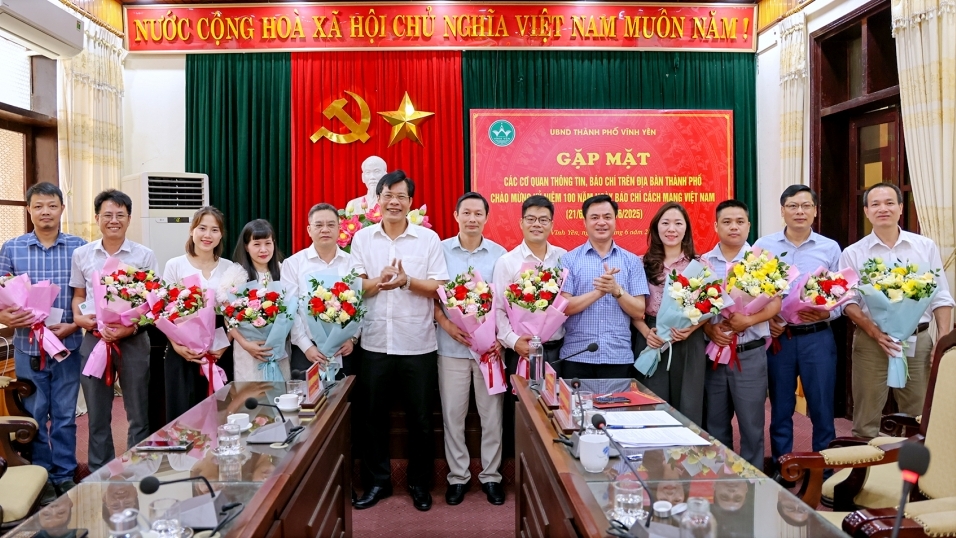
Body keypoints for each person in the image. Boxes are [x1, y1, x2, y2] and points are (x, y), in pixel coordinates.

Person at [349, 171, 449, 512]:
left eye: (401, 196)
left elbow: (440, 287)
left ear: (410, 202)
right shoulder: (362, 239)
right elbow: (355, 287)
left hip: (417, 344)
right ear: (378, 199)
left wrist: (407, 281)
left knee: (420, 420)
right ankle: (378, 483)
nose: (394, 202)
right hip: (375, 344)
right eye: (388, 195)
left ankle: (420, 484)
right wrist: (380, 280)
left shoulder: (428, 239)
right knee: (372, 418)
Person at [839, 182, 954, 437]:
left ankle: (913, 464)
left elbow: (941, 296)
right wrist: (875, 333)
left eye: (890, 203)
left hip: (918, 340)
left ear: (901, 208)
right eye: (875, 204)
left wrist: (943, 339)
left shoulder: (925, 246)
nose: (883, 209)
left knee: (920, 416)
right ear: (866, 211)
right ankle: (864, 462)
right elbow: (848, 302)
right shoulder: (853, 253)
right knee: (866, 417)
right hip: (871, 341)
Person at [0, 182, 86, 504]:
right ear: (29, 210)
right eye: (38, 206)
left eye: (51, 205)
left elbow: (88, 296)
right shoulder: (12, 248)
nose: (45, 212)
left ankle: (64, 474)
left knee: (64, 414)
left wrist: (74, 323)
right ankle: (42, 474)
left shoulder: (79, 247)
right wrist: (6, 317)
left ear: (62, 208)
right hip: (27, 345)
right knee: (35, 413)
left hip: (67, 345)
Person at [754, 185, 842, 481]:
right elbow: (751, 290)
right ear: (782, 211)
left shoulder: (830, 248)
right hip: (780, 338)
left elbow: (844, 294)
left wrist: (827, 312)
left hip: (817, 337)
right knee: (781, 407)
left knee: (822, 406)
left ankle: (824, 471)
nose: (799, 211)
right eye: (793, 206)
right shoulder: (764, 245)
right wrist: (767, 320)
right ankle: (784, 467)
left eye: (806, 206)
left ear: (815, 210)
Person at [70, 189, 158, 471]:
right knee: (97, 414)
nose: (114, 220)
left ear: (129, 219)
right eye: (107, 214)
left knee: (138, 412)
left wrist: (127, 330)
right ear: (97, 218)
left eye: (120, 215)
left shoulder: (144, 255)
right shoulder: (82, 254)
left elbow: (152, 304)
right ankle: (100, 471)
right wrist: (78, 317)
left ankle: (138, 470)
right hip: (94, 339)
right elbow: (78, 295)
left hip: (133, 340)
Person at [433, 192, 507, 506]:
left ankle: (491, 477)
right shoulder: (440, 251)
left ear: (486, 218)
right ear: (456, 215)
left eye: (478, 213)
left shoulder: (500, 255)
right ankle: (458, 478)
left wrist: (500, 339)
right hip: (451, 347)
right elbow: (432, 296)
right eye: (467, 213)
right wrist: (446, 323)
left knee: (492, 417)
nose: (472, 218)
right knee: (453, 416)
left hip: (489, 351)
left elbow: (506, 302)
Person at [701, 200, 780, 470]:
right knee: (715, 425)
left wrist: (749, 320)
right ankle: (721, 480)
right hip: (713, 355)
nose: (733, 227)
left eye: (739, 222)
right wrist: (709, 328)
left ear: (748, 225)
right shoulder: (703, 262)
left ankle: (753, 483)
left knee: (752, 426)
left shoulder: (762, 261)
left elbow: (775, 303)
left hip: (750, 354)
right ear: (716, 226)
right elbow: (692, 305)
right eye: (726, 222)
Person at [493, 195, 566, 457]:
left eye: (543, 220)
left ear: (552, 224)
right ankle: (522, 469)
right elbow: (498, 310)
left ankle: (554, 467)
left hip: (555, 351)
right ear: (521, 223)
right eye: (531, 219)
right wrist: (514, 342)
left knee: (555, 414)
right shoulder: (507, 262)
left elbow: (567, 303)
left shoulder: (563, 259)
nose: (537, 224)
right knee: (521, 413)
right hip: (521, 352)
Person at [633, 202, 708, 425]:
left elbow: (711, 305)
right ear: (656, 228)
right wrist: (646, 332)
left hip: (687, 338)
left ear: (686, 229)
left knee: (688, 403)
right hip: (652, 336)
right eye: (665, 223)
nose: (671, 229)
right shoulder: (641, 263)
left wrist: (690, 329)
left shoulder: (699, 263)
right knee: (651, 404)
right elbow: (632, 308)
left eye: (678, 223)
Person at [560, 194, 647, 379]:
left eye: (607, 217)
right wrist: (599, 292)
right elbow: (564, 307)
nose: (601, 222)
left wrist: (616, 290)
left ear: (615, 221)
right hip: (577, 356)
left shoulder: (632, 262)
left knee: (618, 400)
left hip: (618, 357)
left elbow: (639, 311)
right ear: (584, 222)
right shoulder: (568, 260)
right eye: (594, 217)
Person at [161, 206, 234, 419]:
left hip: (219, 349)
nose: (207, 235)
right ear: (192, 230)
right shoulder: (175, 265)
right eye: (202, 228)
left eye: (214, 230)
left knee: (220, 414)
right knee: (183, 416)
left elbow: (236, 314)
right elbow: (163, 310)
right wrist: (176, 345)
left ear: (221, 235)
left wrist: (225, 343)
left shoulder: (230, 267)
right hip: (182, 349)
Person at [282, 203, 356, 377]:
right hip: (307, 351)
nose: (325, 230)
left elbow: (362, 303)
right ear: (309, 230)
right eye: (319, 225)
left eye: (331, 225)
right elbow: (290, 310)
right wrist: (307, 346)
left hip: (345, 349)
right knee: (307, 395)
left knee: (347, 394)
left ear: (339, 229)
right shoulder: (293, 264)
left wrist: (352, 338)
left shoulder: (353, 263)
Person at [224, 219, 290, 382]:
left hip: (279, 349)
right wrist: (245, 344)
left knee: (281, 393)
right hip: (248, 351)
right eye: (256, 244)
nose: (263, 249)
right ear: (246, 246)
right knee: (251, 395)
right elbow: (228, 317)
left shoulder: (284, 271)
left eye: (268, 243)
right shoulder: (236, 275)